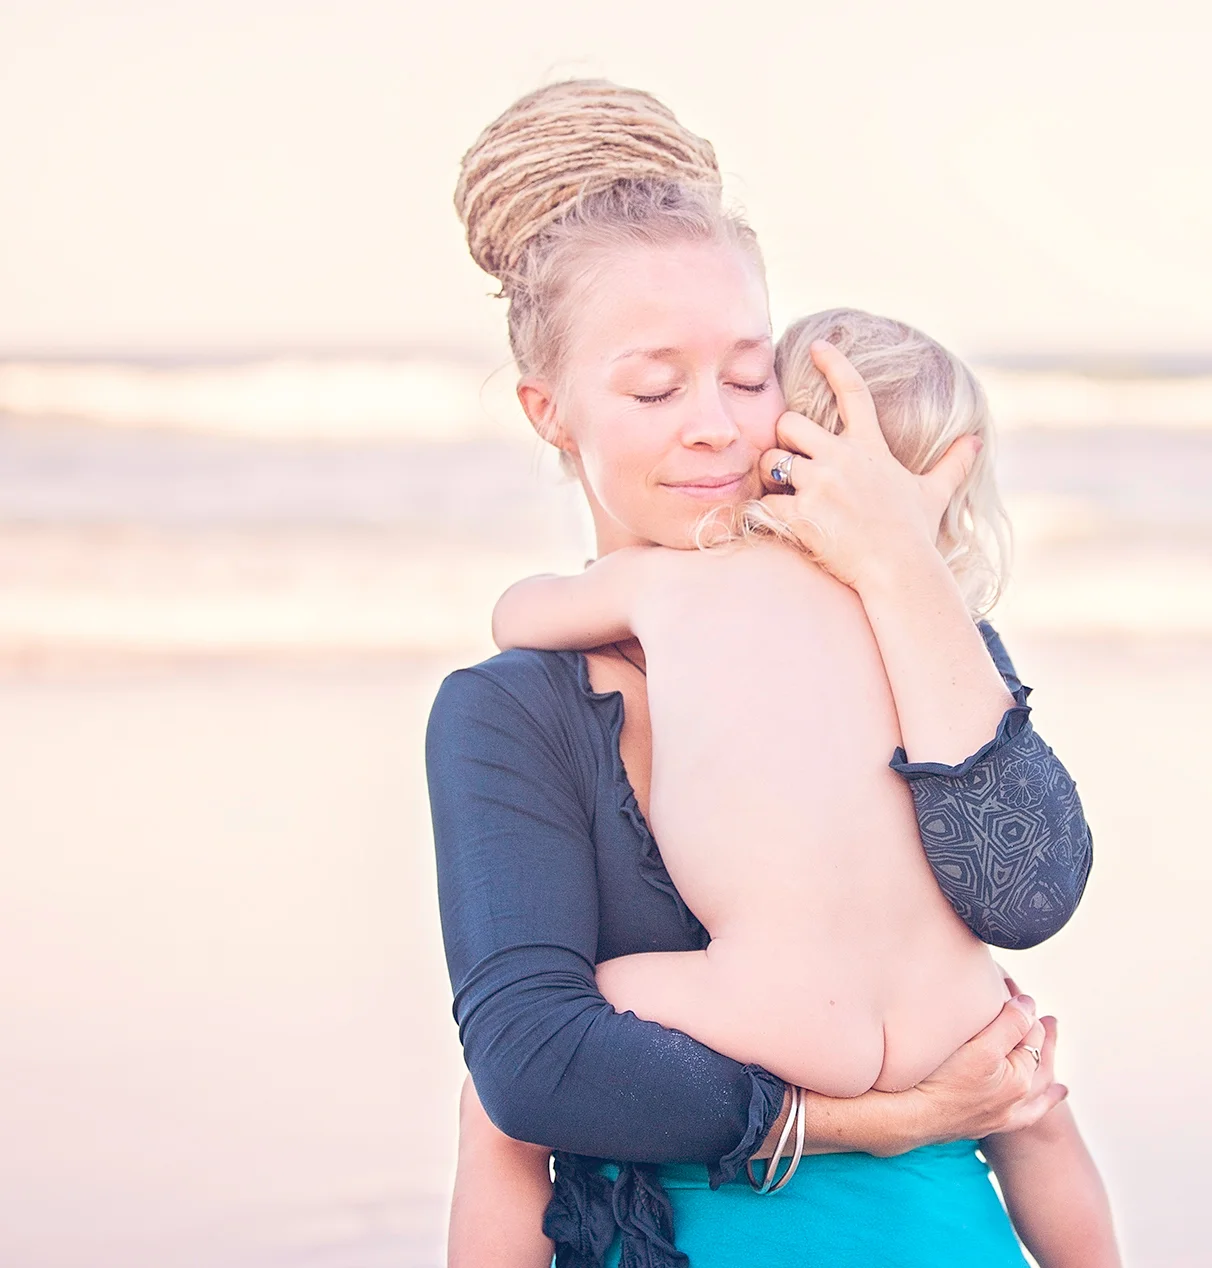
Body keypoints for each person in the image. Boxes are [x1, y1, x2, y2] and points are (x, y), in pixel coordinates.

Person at [427, 80, 1096, 1268]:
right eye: (652, 386)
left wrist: (902, 568)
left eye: (749, 377)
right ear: (550, 412)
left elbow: (1027, 896)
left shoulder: (911, 628)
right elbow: (531, 1062)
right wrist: (882, 1116)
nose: (717, 428)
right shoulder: (517, 710)